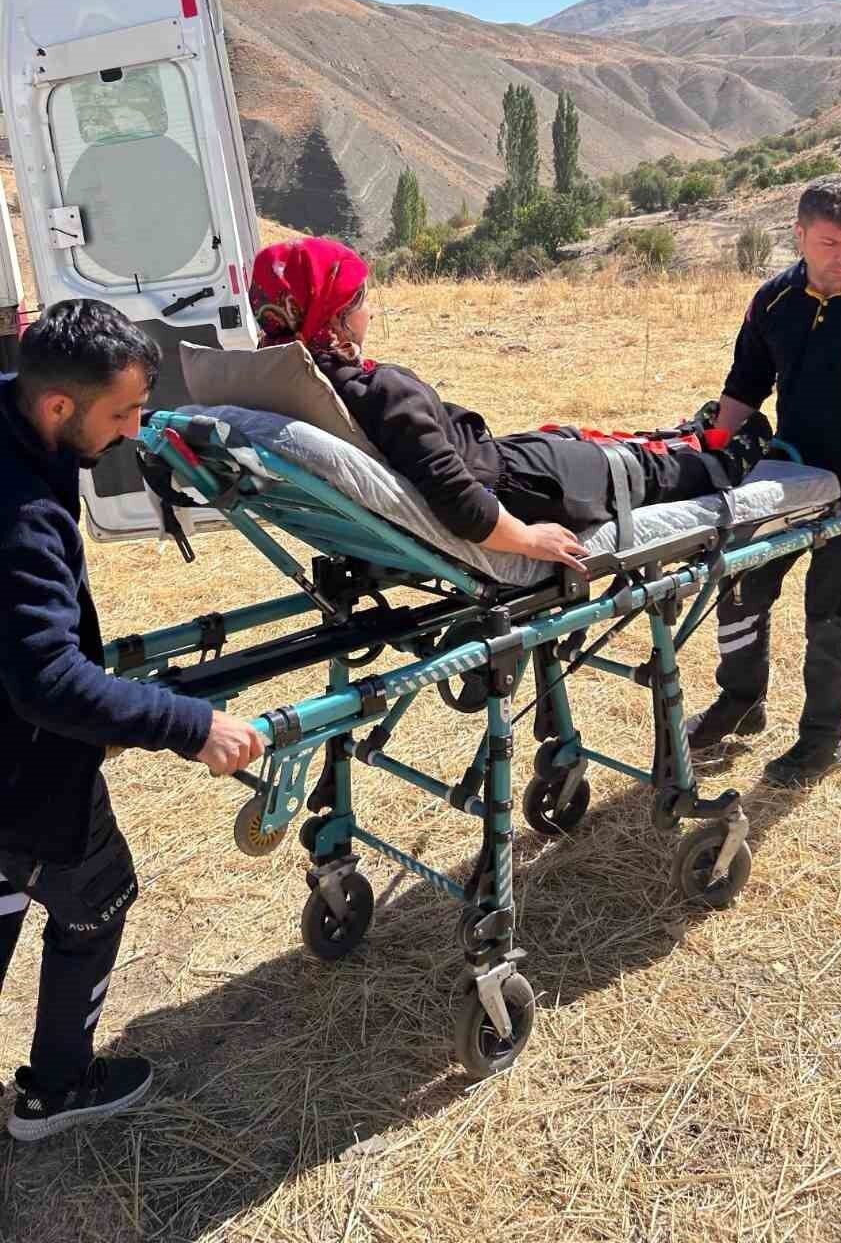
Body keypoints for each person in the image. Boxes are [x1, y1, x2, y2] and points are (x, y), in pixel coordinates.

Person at [0, 300, 265, 1142]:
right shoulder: (23, 515)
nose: (132, 431)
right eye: (121, 414)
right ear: (57, 405)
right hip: (24, 770)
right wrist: (191, 725)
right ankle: (58, 1090)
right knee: (97, 895)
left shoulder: (17, 415)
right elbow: (47, 679)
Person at [249, 237, 771, 573]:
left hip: (508, 465)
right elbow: (458, 498)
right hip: (522, 490)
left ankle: (688, 437)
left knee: (596, 444)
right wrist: (526, 539)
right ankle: (728, 457)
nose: (369, 311)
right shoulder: (379, 391)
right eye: (361, 300)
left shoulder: (294, 383)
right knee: (642, 472)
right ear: (336, 312)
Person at [687, 175, 841, 786]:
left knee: (834, 611)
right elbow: (744, 387)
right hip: (789, 471)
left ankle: (821, 741)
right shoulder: (774, 300)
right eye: (830, 242)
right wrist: (710, 459)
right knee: (741, 586)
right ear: (800, 234)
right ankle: (740, 702)